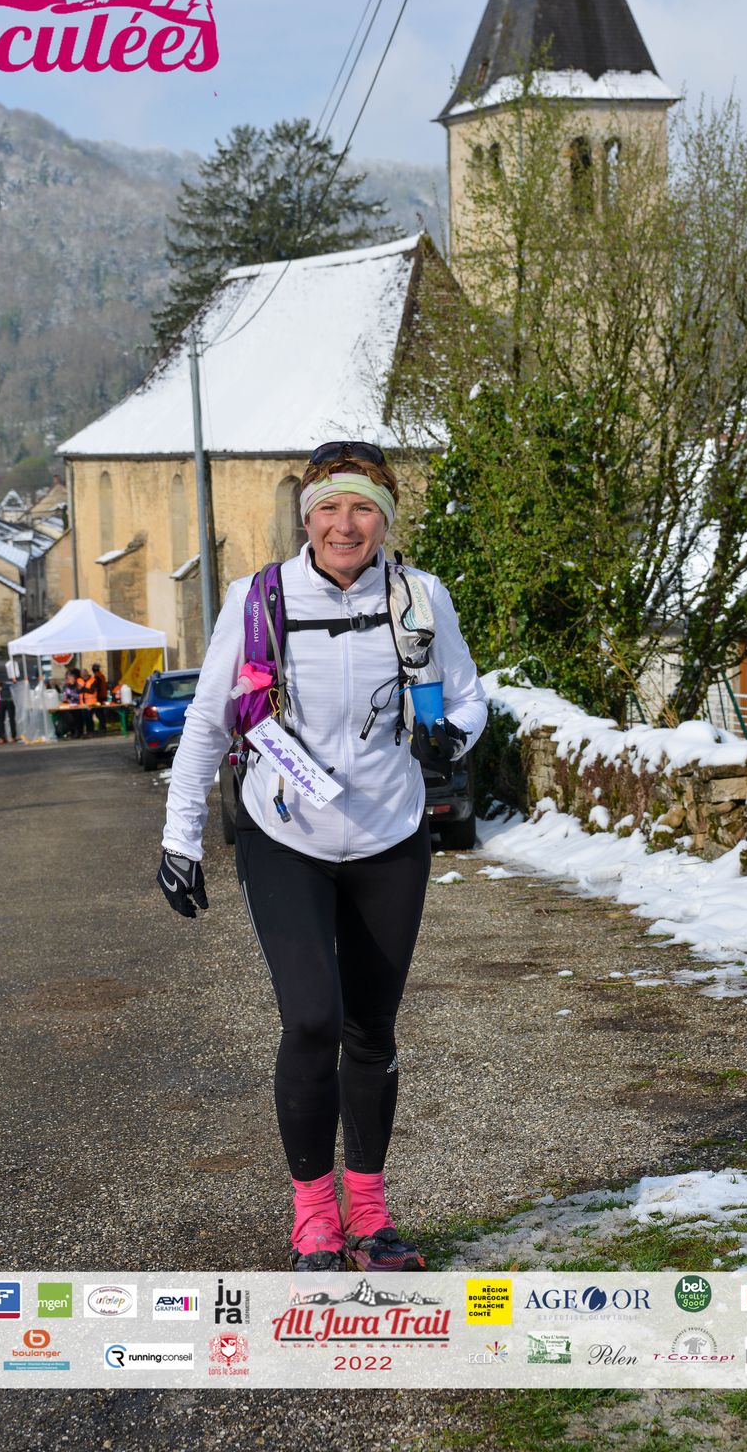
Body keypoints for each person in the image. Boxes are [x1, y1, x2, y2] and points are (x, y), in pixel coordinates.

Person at [158, 442, 487, 1273]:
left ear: (386, 518)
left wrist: (450, 737)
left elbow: (467, 696)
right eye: (330, 508)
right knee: (311, 1020)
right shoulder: (258, 599)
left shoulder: (420, 597)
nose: (346, 525)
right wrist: (180, 835)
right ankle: (314, 1219)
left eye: (364, 508)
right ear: (306, 518)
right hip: (286, 835)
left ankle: (369, 1215)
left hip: (389, 837)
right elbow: (208, 719)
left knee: (370, 1028)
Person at [0, 673, 17, 743]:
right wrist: (14, 681)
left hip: (2, 703)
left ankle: (1, 737)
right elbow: (16, 687)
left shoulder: (0, 686)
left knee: (1, 720)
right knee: (12, 719)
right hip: (10, 702)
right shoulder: (10, 684)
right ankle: (13, 737)